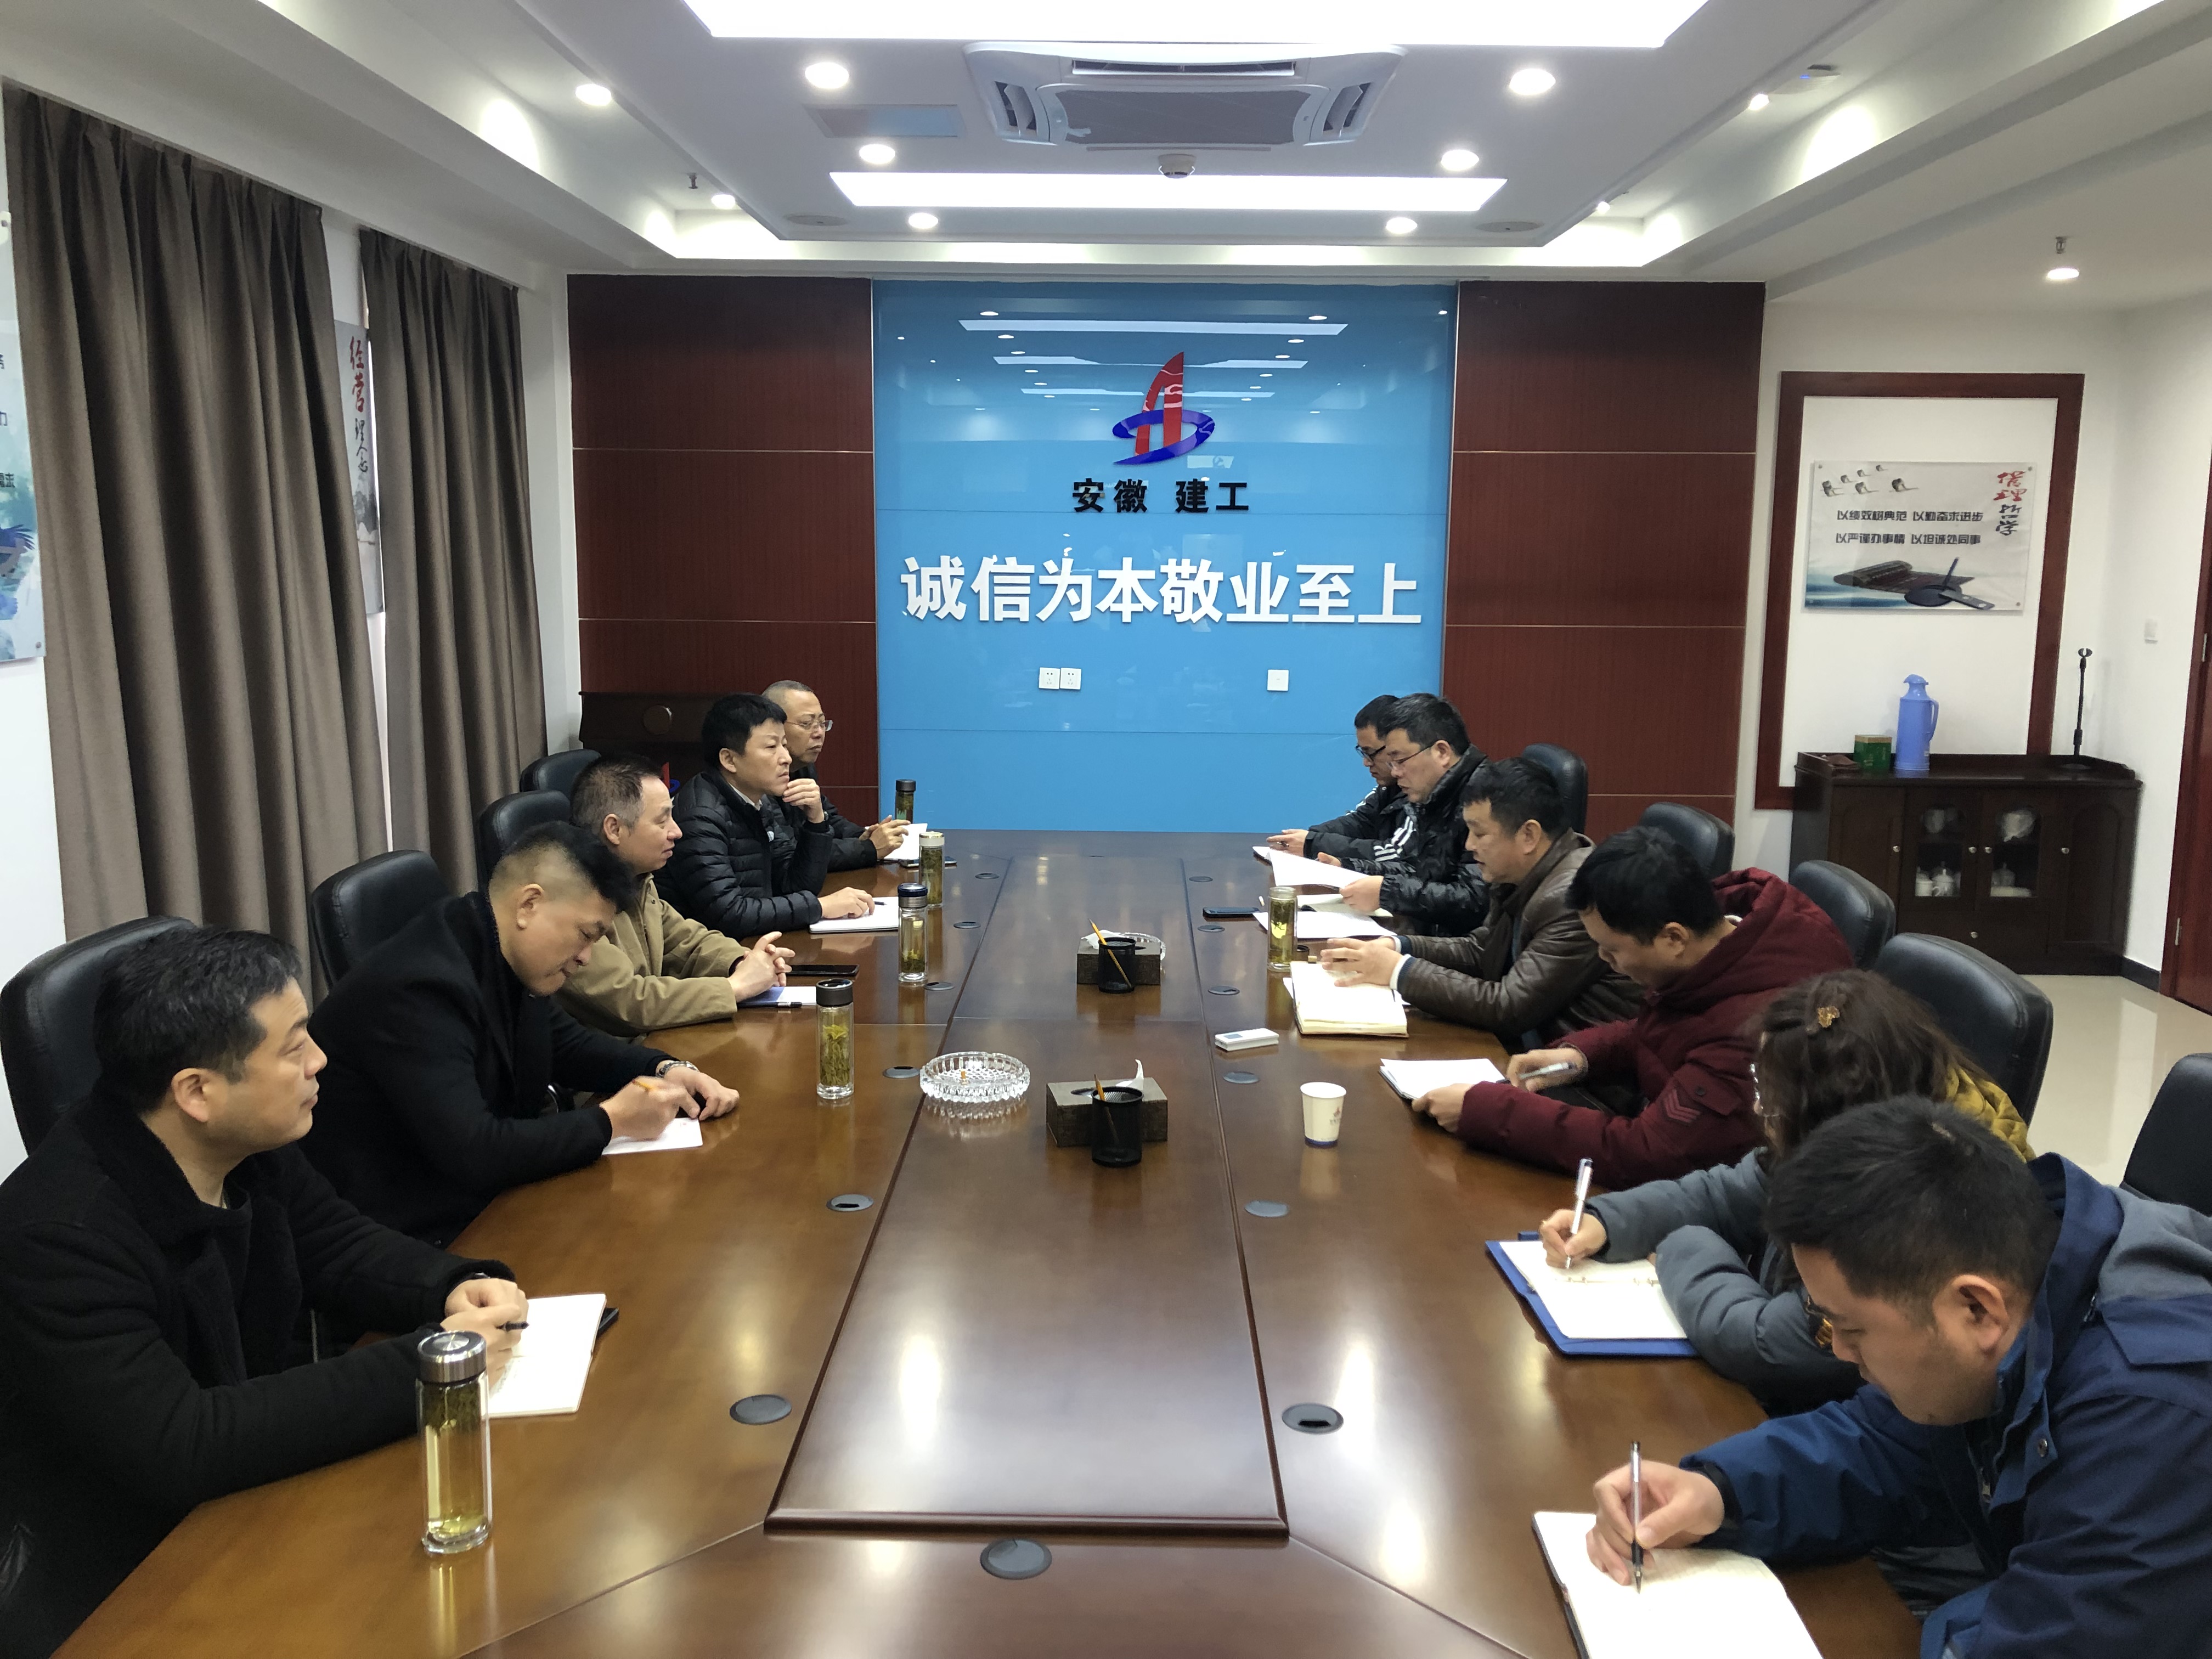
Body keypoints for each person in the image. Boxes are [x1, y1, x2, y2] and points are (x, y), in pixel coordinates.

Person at [0, 928, 528, 1656]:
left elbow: (335, 1243)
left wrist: (453, 1284)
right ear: (197, 1092)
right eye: (293, 1047)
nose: (319, 1061)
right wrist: (434, 1363)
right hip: (129, 1582)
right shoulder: (59, 1236)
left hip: (250, 1499)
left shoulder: (242, 1144)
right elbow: (183, 1442)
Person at [1585, 1099, 2212, 1657]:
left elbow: (2070, 1631)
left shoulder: (2157, 1420)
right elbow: (1887, 1442)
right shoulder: (2032, 1269)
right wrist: (1721, 1492)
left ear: (1977, 1309)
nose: (1842, 1352)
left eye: (1852, 1329)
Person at [1543, 970, 2030, 1412]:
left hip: (1834, 1416)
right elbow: (1723, 1193)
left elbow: (1763, 1343)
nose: (1760, 1111)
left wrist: (1678, 1245)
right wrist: (1608, 1222)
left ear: (1830, 1117)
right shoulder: (1850, 1134)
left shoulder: (1907, 1205)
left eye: (1773, 1101)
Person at [307, 823, 736, 1246]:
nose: (586, 958)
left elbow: (568, 1044)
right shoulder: (418, 988)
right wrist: (612, 1120)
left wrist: (664, 1068)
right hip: (413, 1232)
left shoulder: (497, 948)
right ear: (529, 904)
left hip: (484, 1198)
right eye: (585, 935)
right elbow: (475, 1152)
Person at [1411, 827, 1850, 1186]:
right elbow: (1666, 1024)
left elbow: (1646, 1154)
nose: (1605, 962)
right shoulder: (1728, 939)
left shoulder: (1755, 1027)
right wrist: (1581, 1056)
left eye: (1612, 951)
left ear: (1673, 938)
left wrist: (1485, 1111)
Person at [1317, 757, 1637, 1045]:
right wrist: (1399, 946)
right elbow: (1481, 950)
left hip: (1571, 1072)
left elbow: (1509, 1008)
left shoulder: (1573, 898)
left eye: (1480, 834)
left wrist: (1398, 971)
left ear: (1529, 835)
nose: (1469, 846)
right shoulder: (1522, 872)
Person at [557, 755, 795, 1038]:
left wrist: (742, 962)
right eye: (662, 821)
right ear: (615, 830)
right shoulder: (572, 901)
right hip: (613, 1060)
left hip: (653, 1045)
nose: (677, 831)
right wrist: (735, 987)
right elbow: (629, 1002)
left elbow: (686, 942)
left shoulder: (637, 878)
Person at [662, 692, 876, 937]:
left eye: (784, 745)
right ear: (729, 760)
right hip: (711, 953)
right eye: (772, 747)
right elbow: (729, 914)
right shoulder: (701, 817)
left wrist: (816, 822)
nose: (786, 758)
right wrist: (820, 907)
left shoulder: (759, 800)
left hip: (755, 943)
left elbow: (796, 885)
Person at [1319, 693, 1489, 934]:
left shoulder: (1485, 800)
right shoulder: (1436, 795)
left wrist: (1387, 893)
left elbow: (1474, 902)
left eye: (1400, 760)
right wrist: (1345, 866)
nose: (1395, 773)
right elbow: (1417, 869)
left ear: (1442, 752)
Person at [763, 679, 909, 871]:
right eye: (807, 724)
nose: (819, 733)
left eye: (822, 723)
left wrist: (865, 835)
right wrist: (869, 848)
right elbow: (794, 854)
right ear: (773, 726)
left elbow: (828, 818)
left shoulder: (803, 767)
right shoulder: (759, 779)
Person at [1267, 693, 1406, 861]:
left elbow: (1398, 854)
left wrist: (1314, 844)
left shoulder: (1423, 794)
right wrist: (1309, 837)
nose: (1366, 763)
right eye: (1363, 752)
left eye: (1371, 753)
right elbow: (1360, 822)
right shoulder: (1387, 789)